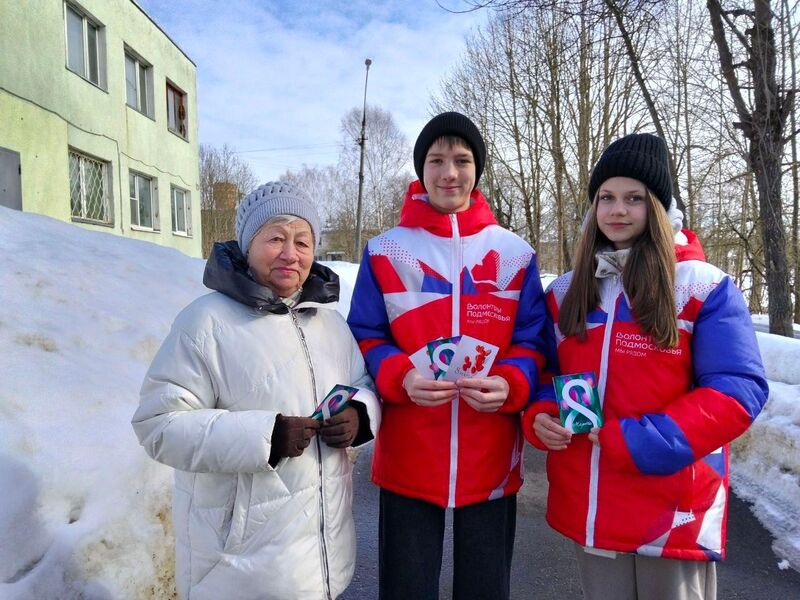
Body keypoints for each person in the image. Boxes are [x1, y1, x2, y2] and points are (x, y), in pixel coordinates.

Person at [522, 133, 768, 600]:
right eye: (606, 198)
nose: (618, 210)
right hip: (592, 501)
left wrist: (644, 440)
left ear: (658, 206)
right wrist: (541, 414)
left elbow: (739, 389)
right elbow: (544, 372)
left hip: (670, 508)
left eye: (634, 198)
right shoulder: (566, 291)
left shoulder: (702, 287)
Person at [132, 182, 380, 600]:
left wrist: (359, 415)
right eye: (275, 238)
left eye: (302, 241)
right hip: (237, 568)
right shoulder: (204, 323)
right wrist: (267, 437)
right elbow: (159, 425)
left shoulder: (330, 323)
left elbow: (362, 386)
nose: (290, 253)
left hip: (321, 560)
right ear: (248, 245)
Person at [347, 112, 554, 600]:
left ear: (477, 169)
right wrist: (400, 377)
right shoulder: (385, 251)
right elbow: (366, 334)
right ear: (421, 170)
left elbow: (533, 339)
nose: (449, 173)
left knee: (485, 589)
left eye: (462, 160)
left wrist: (511, 383)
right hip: (409, 453)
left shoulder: (514, 254)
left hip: (491, 454)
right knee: (406, 589)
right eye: (436, 160)